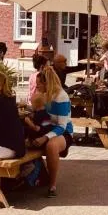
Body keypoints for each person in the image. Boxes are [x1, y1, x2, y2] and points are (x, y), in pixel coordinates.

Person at [32, 66, 73, 198]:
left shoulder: (61, 96)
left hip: (63, 131)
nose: (36, 87)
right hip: (47, 127)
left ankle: (52, 184)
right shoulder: (44, 94)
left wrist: (45, 137)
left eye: (39, 85)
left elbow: (62, 126)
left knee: (51, 145)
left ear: (46, 84)